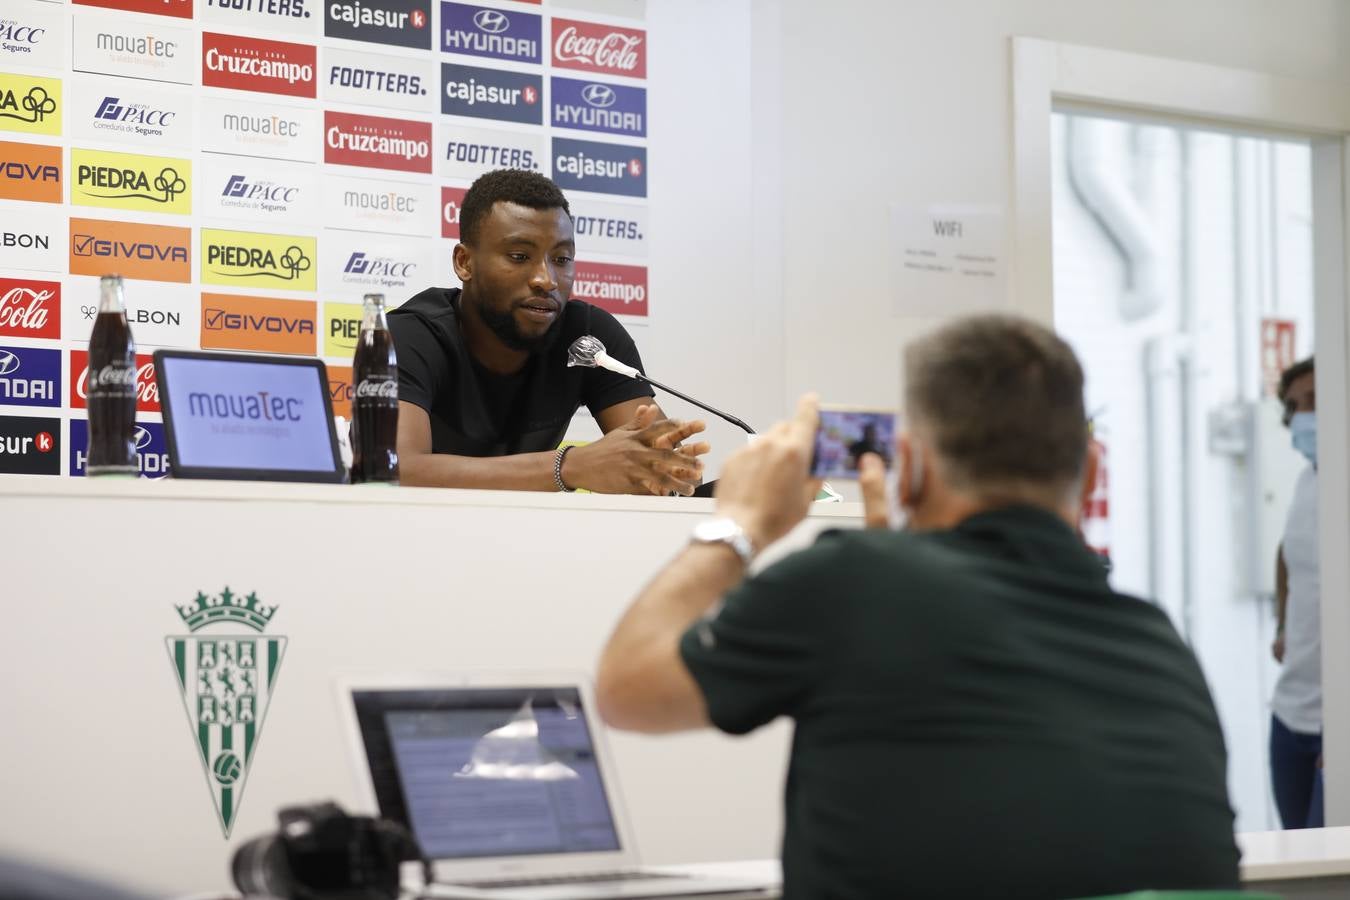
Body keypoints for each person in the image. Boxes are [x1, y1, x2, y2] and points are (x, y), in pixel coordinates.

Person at [596, 315, 1239, 898]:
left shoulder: (853, 583)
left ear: (909, 469)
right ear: (1092, 473)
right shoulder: (1158, 642)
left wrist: (741, 523)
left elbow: (627, 688)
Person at [390, 169, 707, 494]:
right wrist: (569, 467)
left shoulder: (589, 338)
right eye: (519, 256)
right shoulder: (410, 335)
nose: (546, 279)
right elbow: (397, 469)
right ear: (464, 262)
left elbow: (665, 472)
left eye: (561, 258)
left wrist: (665, 469)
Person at [1269, 356, 1323, 829]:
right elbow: (1287, 551)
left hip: (1336, 723)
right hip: (1290, 715)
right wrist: (1283, 622)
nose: (1303, 415)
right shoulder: (1308, 481)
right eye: (1294, 405)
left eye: (1314, 401)